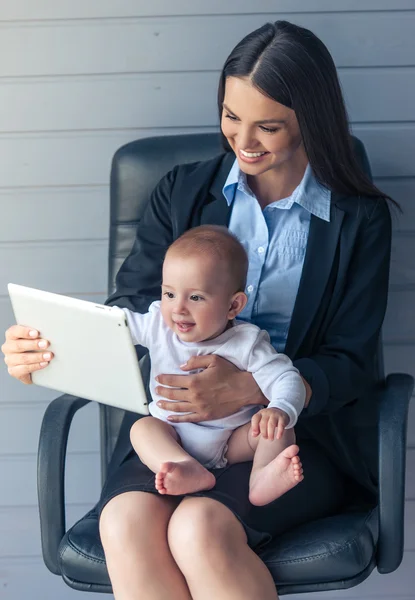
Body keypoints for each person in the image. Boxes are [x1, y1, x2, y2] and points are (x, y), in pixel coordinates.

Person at [1, 19, 394, 600]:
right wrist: (50, 351)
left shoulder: (358, 219)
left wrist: (251, 391)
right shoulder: (181, 192)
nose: (244, 140)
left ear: (312, 119)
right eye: (231, 117)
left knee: (198, 529)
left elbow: (353, 362)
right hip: (180, 435)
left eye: (269, 125)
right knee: (124, 524)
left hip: (287, 439)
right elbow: (129, 313)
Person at [125, 225, 305, 505]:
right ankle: (185, 467)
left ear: (234, 306)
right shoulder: (157, 324)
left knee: (278, 430)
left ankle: (261, 478)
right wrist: (53, 332)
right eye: (169, 294)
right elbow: (113, 325)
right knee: (143, 429)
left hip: (233, 441)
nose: (178, 308)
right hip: (174, 437)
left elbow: (287, 378)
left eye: (195, 297)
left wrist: (280, 409)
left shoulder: (246, 342)